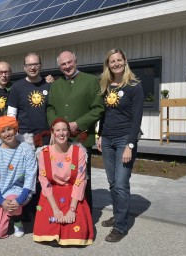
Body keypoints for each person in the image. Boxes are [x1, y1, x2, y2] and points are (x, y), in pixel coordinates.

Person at [46, 50, 105, 212]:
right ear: (59, 67)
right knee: (62, 179)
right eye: (63, 64)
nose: (67, 66)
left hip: (81, 138)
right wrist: (57, 126)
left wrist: (78, 124)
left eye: (69, 62)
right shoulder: (56, 85)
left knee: (82, 180)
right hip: (60, 141)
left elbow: (98, 108)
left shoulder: (91, 80)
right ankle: (65, 214)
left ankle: (85, 217)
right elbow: (50, 108)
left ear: (76, 61)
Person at [96, 48, 144, 242]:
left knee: (122, 184)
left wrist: (130, 145)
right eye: (111, 61)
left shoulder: (134, 85)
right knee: (113, 183)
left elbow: (137, 119)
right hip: (107, 139)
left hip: (125, 138)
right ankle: (118, 214)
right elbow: (103, 113)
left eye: (118, 60)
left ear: (125, 61)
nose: (115, 63)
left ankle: (121, 226)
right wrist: (100, 135)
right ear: (108, 65)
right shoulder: (105, 85)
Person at [33, 118, 93, 246]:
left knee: (78, 231)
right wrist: (55, 209)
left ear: (69, 132)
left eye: (64, 130)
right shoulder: (44, 153)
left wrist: (72, 209)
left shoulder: (79, 152)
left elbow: (80, 180)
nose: (61, 133)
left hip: (73, 193)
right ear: (53, 133)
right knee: (48, 227)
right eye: (58, 130)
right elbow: (44, 181)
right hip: (51, 194)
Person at [7, 52, 51, 219]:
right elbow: (11, 115)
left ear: (40, 65)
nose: (33, 67)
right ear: (24, 67)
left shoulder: (49, 85)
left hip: (45, 137)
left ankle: (40, 207)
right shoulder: (17, 87)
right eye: (29, 65)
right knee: (24, 174)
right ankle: (24, 210)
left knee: (43, 174)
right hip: (24, 138)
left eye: (35, 64)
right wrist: (14, 138)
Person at [0, 116, 37, 238]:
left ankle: (17, 220)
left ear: (15, 129)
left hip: (16, 192)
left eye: (10, 129)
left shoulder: (26, 149)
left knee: (13, 201)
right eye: (3, 131)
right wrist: (1, 201)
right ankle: (6, 212)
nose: (7, 134)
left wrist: (19, 199)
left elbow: (30, 175)